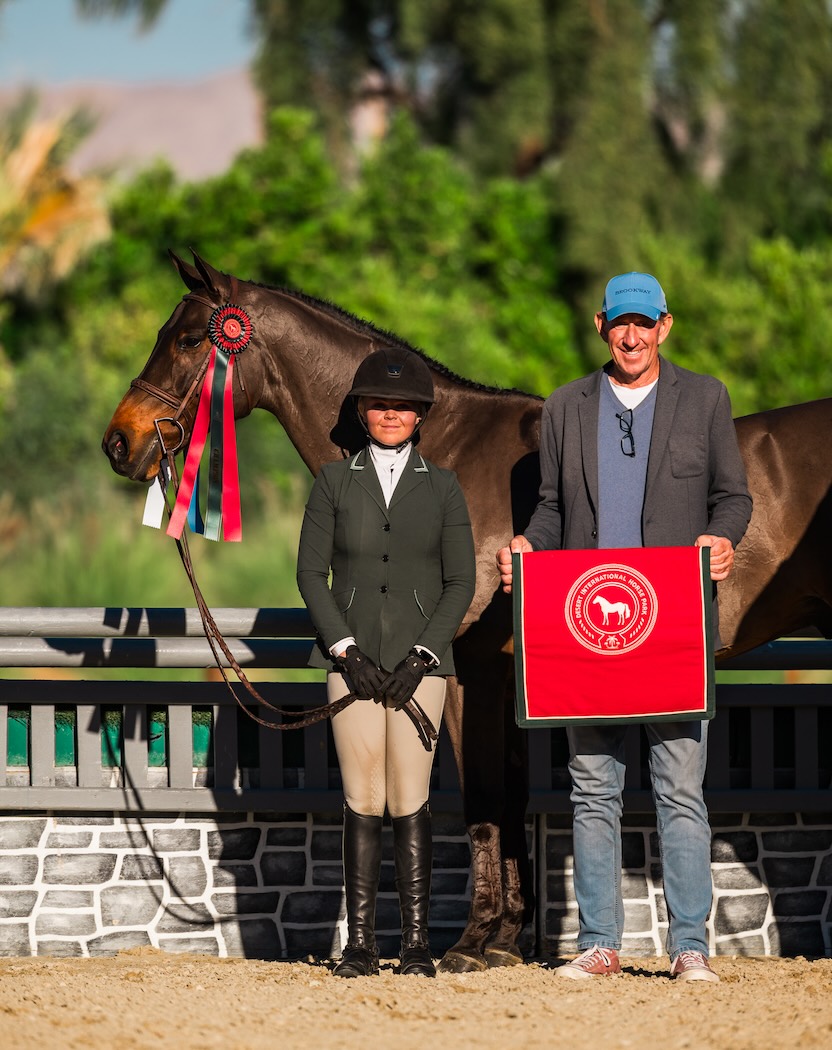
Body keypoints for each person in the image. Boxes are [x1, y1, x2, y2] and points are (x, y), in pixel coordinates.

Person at [497, 272, 752, 983]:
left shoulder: (705, 398)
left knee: (679, 788)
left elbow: (732, 497)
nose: (632, 337)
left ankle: (690, 947)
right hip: (588, 630)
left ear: (664, 327)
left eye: (645, 324)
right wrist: (528, 544)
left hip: (672, 627)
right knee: (592, 790)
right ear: (602, 326)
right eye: (620, 324)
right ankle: (601, 942)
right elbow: (550, 510)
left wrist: (722, 537)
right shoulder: (564, 407)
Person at [297, 346, 476, 979]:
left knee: (410, 794)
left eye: (403, 406)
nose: (391, 413)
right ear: (363, 412)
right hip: (353, 667)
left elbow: (462, 581)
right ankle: (361, 944)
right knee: (362, 795)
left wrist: (423, 655)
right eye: (380, 404)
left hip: (420, 669)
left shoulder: (445, 486)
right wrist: (344, 650)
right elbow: (310, 576)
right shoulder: (332, 482)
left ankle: (418, 943)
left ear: (420, 413)